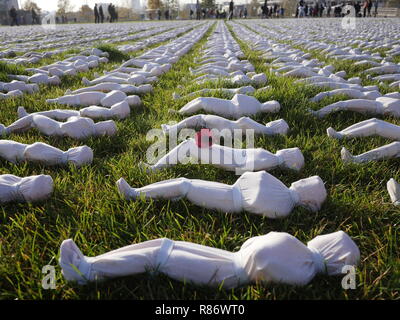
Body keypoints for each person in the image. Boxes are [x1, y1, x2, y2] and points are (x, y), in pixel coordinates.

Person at [59, 231, 360, 288]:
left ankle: (87, 273)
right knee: (164, 244)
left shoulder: (304, 272)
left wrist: (350, 280)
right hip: (230, 258)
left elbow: (264, 270)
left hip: (226, 274)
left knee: (158, 258)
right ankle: (92, 260)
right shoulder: (299, 250)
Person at [117, 171, 327, 218]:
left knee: (184, 186)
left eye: (304, 183)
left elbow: (255, 202)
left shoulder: (283, 205)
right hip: (230, 190)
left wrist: (245, 187)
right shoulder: (282, 192)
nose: (300, 181)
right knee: (184, 184)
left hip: (229, 199)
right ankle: (145, 191)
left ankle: (135, 194)